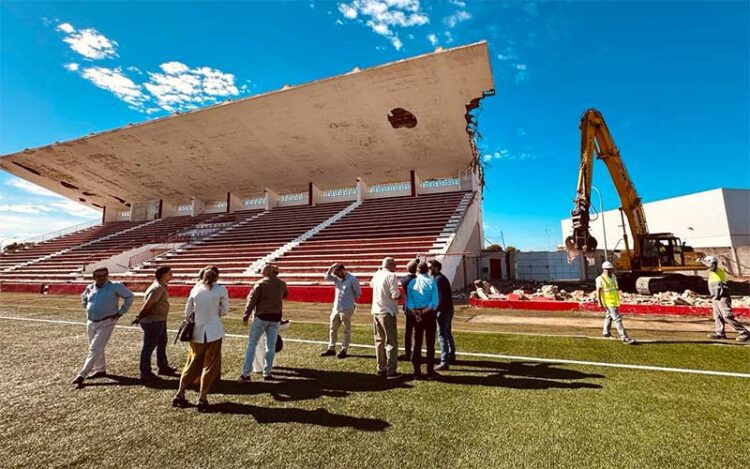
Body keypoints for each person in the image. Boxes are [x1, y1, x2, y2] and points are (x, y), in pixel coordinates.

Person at [172, 266, 229, 412]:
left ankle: (180, 393)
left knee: (192, 363)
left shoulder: (195, 289)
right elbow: (224, 311)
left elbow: (188, 311)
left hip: (197, 331)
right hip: (214, 331)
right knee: (209, 365)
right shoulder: (221, 290)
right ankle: (202, 398)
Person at [72, 267, 134, 388]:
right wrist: (87, 307)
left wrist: (121, 312)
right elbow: (83, 297)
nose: (102, 278)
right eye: (99, 276)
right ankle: (100, 369)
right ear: (94, 277)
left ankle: (82, 375)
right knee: (94, 346)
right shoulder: (90, 287)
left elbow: (129, 296)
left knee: (95, 348)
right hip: (91, 321)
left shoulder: (115, 286)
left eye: (104, 275)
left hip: (107, 321)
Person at [239, 264, 289, 382]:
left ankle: (246, 373)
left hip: (262, 316)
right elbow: (285, 295)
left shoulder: (261, 284)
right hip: (276, 317)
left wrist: (246, 314)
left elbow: (252, 300)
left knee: (252, 344)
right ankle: (267, 372)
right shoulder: (281, 283)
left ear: (266, 272)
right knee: (270, 347)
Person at [131, 266, 177, 380]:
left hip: (159, 320)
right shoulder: (157, 288)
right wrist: (139, 316)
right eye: (169, 273)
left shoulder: (160, 287)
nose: (172, 275)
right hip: (153, 321)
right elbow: (148, 304)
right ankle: (145, 372)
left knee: (161, 344)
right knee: (149, 347)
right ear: (163, 275)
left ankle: (163, 366)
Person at [702, 256, 749, 341]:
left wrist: (702, 260)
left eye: (707, 263)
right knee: (717, 316)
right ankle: (719, 333)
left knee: (727, 316)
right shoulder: (711, 272)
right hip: (716, 297)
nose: (706, 265)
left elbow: (711, 266)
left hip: (723, 296)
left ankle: (744, 332)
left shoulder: (717, 270)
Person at [321, 263, 362, 359]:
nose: (336, 275)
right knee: (332, 328)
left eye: (337, 273)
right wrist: (330, 267)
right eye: (335, 274)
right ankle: (331, 348)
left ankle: (344, 349)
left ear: (343, 270)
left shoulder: (353, 279)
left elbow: (358, 293)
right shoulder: (337, 278)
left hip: (346, 308)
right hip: (336, 308)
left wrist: (351, 303)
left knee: (346, 330)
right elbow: (326, 277)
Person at [405, 262, 439, 379]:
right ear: (427, 270)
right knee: (430, 343)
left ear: (417, 270)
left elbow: (409, 302)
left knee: (417, 342)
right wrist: (423, 312)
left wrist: (416, 312)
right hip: (428, 314)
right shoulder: (431, 282)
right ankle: (430, 370)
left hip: (417, 314)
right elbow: (434, 303)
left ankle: (416, 371)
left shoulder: (412, 283)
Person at [370, 257, 402, 379]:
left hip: (376, 310)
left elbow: (371, 284)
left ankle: (381, 367)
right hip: (387, 311)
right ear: (391, 265)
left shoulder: (377, 275)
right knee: (391, 342)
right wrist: (399, 295)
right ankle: (391, 370)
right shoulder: (391, 276)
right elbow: (395, 294)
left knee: (379, 340)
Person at [595, 261, 636, 345]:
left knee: (609, 316)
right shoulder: (600, 279)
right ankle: (624, 337)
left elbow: (615, 289)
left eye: (610, 269)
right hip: (607, 301)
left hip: (614, 300)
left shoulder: (613, 277)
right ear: (603, 269)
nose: (609, 271)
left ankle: (606, 333)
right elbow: (598, 291)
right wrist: (599, 302)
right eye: (607, 269)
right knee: (617, 318)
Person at [430, 260, 457, 370]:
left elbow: (440, 298)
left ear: (436, 267)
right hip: (448, 310)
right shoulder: (441, 278)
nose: (429, 269)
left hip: (443, 311)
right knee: (447, 333)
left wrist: (435, 310)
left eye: (430, 267)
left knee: (442, 336)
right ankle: (451, 354)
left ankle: (444, 361)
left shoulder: (438, 279)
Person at [399, 261, 418, 361]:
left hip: (408, 307)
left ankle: (407, 352)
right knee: (417, 331)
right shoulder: (418, 279)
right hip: (418, 307)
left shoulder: (404, 279)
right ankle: (415, 352)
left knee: (408, 331)